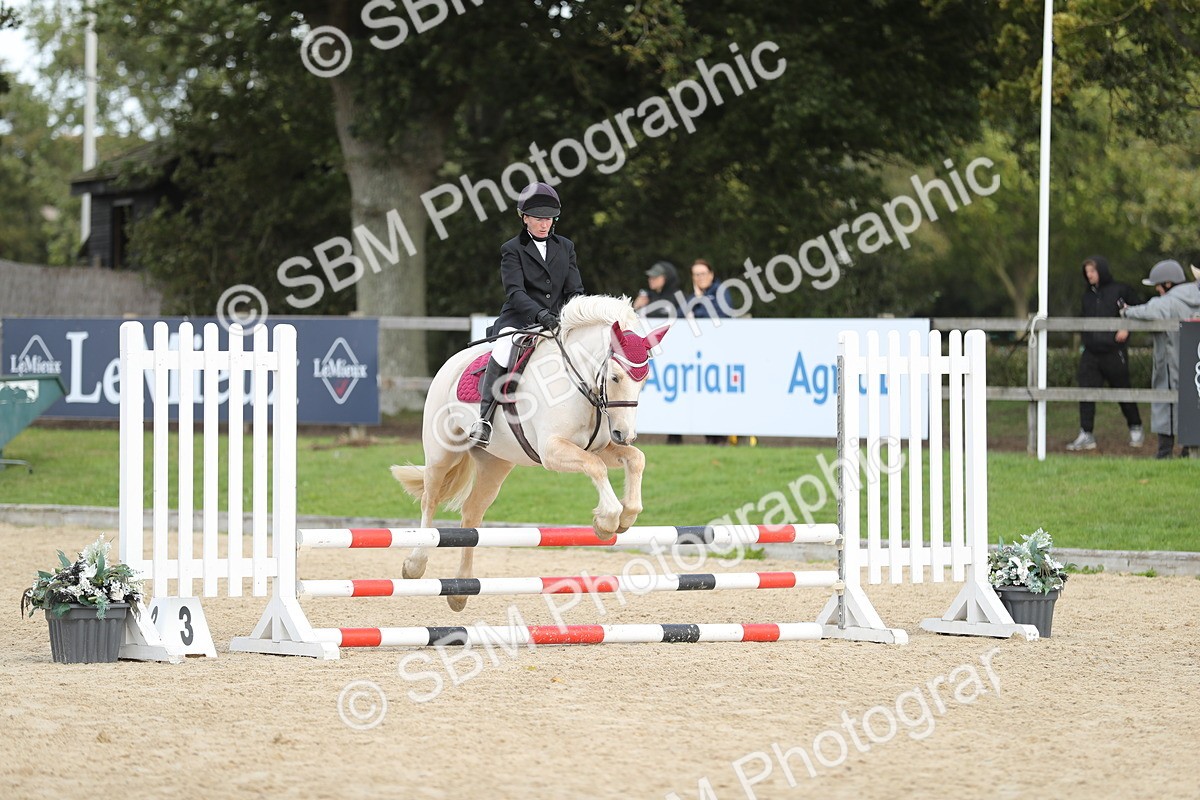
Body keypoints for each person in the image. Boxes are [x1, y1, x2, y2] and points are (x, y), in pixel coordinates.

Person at [468, 182, 585, 447]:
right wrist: (540, 314)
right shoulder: (512, 249)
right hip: (519, 319)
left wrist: (574, 316)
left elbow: (574, 289)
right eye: (538, 219)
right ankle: (484, 419)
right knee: (503, 346)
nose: (544, 224)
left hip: (557, 320)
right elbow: (515, 293)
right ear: (525, 218)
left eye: (548, 219)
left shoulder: (565, 246)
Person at [1119, 259, 1200, 458]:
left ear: (1168, 283)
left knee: (1165, 404)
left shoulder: (1168, 302)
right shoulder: (1194, 296)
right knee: (1191, 403)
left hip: (1170, 361)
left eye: (1158, 285)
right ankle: (1187, 450)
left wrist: (1126, 310)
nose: (1157, 289)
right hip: (1194, 361)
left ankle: (1165, 451)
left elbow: (1150, 310)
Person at [1066, 256, 1144, 451]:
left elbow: (1139, 310)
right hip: (1091, 352)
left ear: (1101, 270)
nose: (1089, 275)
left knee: (1122, 390)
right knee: (1086, 391)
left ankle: (1135, 426)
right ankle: (1086, 433)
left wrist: (1126, 327)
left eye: (1092, 271)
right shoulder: (1087, 296)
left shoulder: (1120, 290)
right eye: (1087, 272)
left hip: (1113, 351)